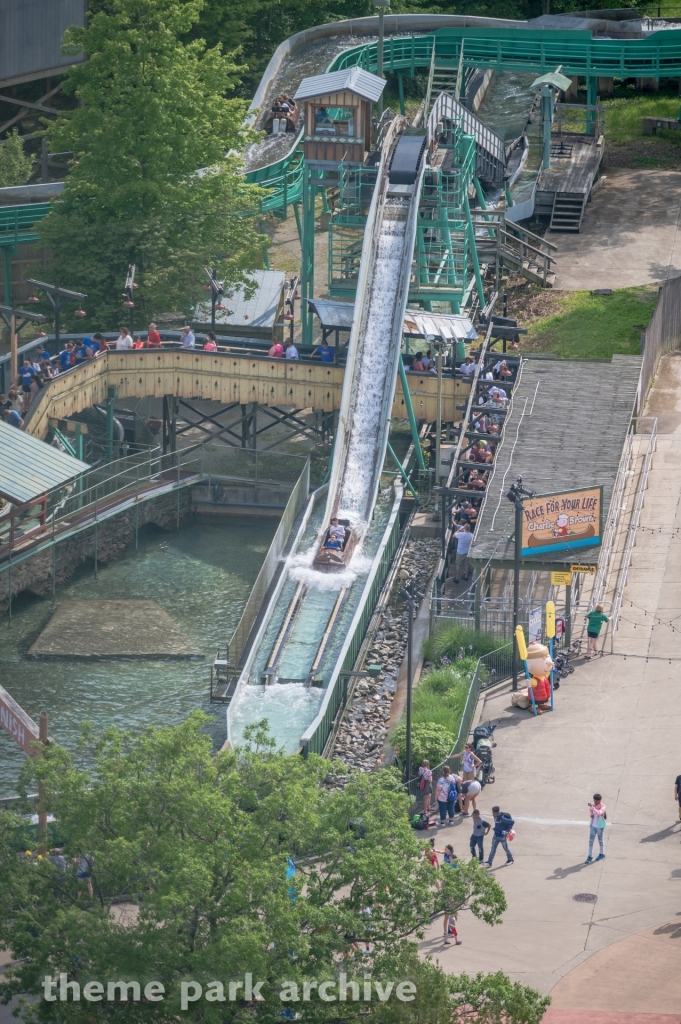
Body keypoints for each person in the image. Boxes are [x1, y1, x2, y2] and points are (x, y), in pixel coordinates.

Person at [586, 793, 607, 863]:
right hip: (593, 826)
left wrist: (593, 807)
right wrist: (591, 814)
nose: (595, 802)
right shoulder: (593, 805)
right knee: (590, 842)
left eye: (596, 801)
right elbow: (591, 810)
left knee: (600, 841)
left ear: (599, 800)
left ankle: (602, 854)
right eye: (594, 801)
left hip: (599, 827)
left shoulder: (603, 807)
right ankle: (590, 856)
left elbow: (598, 813)